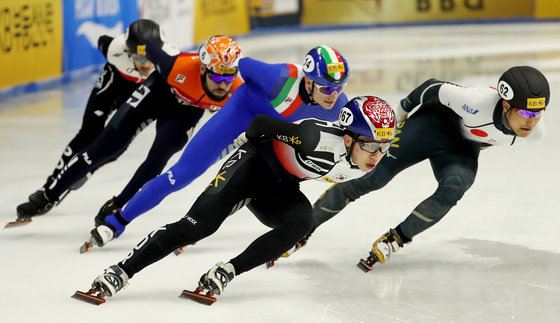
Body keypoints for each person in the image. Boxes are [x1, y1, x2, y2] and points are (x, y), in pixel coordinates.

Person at [79, 95, 397, 301]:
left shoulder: (363, 163)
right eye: (371, 145)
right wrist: (238, 146)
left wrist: (292, 236)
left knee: (301, 222)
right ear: (347, 137)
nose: (377, 155)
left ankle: (227, 270)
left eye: (384, 146)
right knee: (197, 227)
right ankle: (121, 270)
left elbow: (336, 187)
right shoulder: (313, 139)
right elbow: (259, 124)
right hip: (252, 165)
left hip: (281, 187)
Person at [286, 65, 550, 269]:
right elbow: (432, 87)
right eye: (526, 113)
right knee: (372, 178)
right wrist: (400, 113)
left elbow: (498, 133)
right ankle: (304, 228)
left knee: (457, 185)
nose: (532, 122)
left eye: (538, 114)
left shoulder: (535, 131)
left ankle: (396, 238)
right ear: (505, 105)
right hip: (429, 127)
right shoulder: (474, 100)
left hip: (460, 148)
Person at [89, 45, 351, 248]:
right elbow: (243, 66)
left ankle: (193, 225)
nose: (335, 95)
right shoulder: (278, 78)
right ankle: (118, 221)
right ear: (308, 81)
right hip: (241, 111)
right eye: (328, 89)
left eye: (340, 87)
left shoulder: (338, 107)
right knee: (180, 175)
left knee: (243, 183)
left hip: (268, 132)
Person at [15, 34, 244, 226]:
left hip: (185, 113)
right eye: (216, 76)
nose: (223, 85)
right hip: (157, 93)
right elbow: (150, 45)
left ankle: (118, 205)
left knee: (159, 158)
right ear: (203, 68)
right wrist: (135, 38)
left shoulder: (237, 91)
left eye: (228, 77)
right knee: (105, 147)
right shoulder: (177, 66)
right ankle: (49, 195)